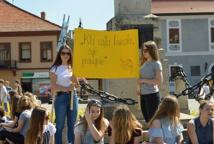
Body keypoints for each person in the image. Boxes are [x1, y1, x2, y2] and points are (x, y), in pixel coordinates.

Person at [50, 44, 79, 144]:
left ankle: (72, 142)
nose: (66, 55)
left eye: (68, 53)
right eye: (63, 53)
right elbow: (53, 86)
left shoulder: (73, 67)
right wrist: (66, 88)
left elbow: (77, 86)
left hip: (73, 97)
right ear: (60, 54)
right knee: (60, 125)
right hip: (61, 98)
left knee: (72, 124)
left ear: (70, 55)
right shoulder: (55, 68)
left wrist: (74, 80)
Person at [138, 41, 163, 123]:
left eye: (146, 50)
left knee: (154, 121)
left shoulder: (156, 64)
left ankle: (156, 136)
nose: (143, 52)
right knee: (148, 120)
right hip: (143, 95)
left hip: (152, 95)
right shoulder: (143, 63)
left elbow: (159, 81)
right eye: (143, 50)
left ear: (152, 50)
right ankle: (152, 136)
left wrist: (143, 80)